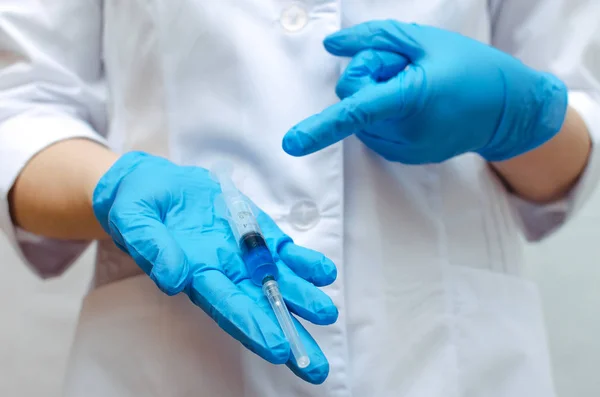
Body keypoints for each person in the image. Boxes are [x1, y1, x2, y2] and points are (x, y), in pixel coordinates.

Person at [1, 0, 599, 396]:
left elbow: (576, 128)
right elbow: (20, 107)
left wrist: (516, 112)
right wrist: (115, 187)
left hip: (447, 361)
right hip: (172, 361)